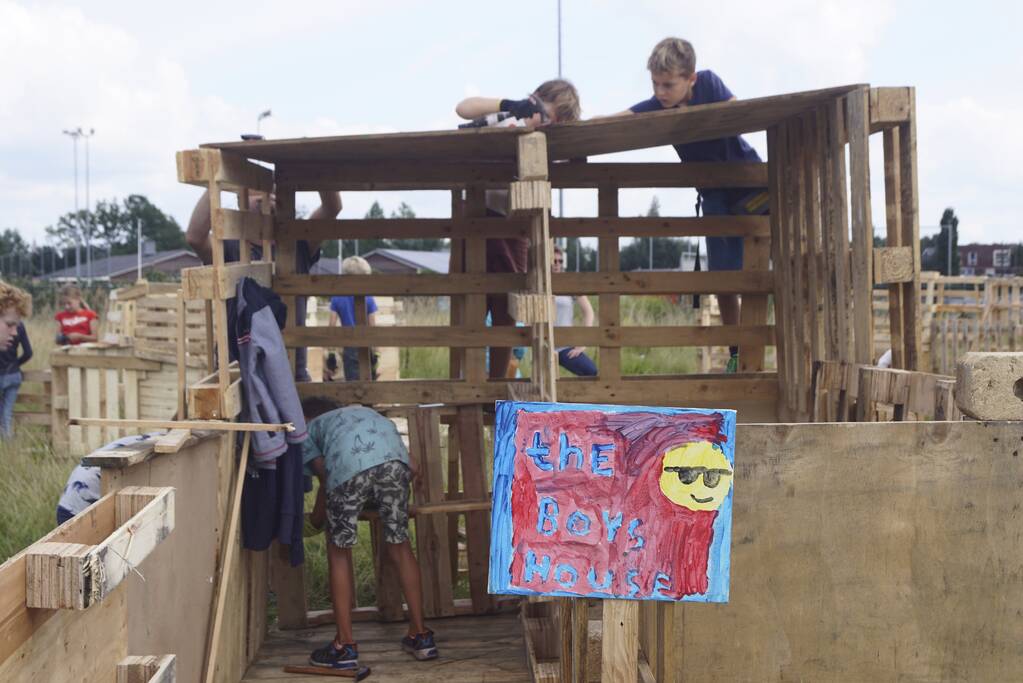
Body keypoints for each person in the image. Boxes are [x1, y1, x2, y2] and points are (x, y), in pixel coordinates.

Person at [606, 37, 765, 373]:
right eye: (655, 84)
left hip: (749, 181)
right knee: (722, 280)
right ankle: (737, 352)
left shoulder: (708, 83)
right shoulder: (660, 105)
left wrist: (695, 119)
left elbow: (739, 111)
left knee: (762, 270)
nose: (660, 92)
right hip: (714, 194)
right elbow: (622, 118)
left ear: (691, 78)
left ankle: (764, 344)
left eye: (668, 85)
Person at [455, 79, 581, 378]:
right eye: (545, 115)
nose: (544, 124)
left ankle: (498, 382)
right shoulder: (505, 118)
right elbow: (463, 108)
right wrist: (509, 106)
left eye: (553, 124)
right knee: (469, 305)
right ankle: (465, 381)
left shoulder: (546, 142)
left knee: (507, 310)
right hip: (477, 216)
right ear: (533, 100)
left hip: (514, 226)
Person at [301, 397, 438, 671]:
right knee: (400, 546)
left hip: (348, 471)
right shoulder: (367, 414)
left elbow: (327, 478)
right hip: (395, 467)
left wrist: (315, 521)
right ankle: (420, 636)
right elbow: (413, 466)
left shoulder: (310, 430)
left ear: (307, 418)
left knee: (339, 553)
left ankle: (345, 646)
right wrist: (378, 497)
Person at [185, 188, 342, 381]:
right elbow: (195, 237)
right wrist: (215, 180)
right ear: (240, 201)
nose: (267, 199)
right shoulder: (228, 248)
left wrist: (317, 170)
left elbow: (332, 208)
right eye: (256, 193)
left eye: (273, 192)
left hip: (291, 373)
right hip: (239, 375)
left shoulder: (298, 244)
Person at [329, 256, 378, 381]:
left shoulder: (337, 297)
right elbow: (373, 326)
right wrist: (375, 350)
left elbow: (331, 326)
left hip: (348, 343)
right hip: (366, 343)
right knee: (368, 378)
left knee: (352, 379)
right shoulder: (369, 298)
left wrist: (331, 351)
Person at [551, 245, 597, 376]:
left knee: (591, 371)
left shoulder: (569, 283)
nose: (557, 264)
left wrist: (583, 343)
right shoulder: (539, 284)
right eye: (554, 261)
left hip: (564, 346)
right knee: (546, 383)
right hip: (544, 346)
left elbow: (589, 312)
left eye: (560, 261)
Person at [0, 282, 31, 437]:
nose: (14, 332)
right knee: (6, 415)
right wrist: (15, 365)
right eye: (9, 325)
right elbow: (28, 352)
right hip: (14, 373)